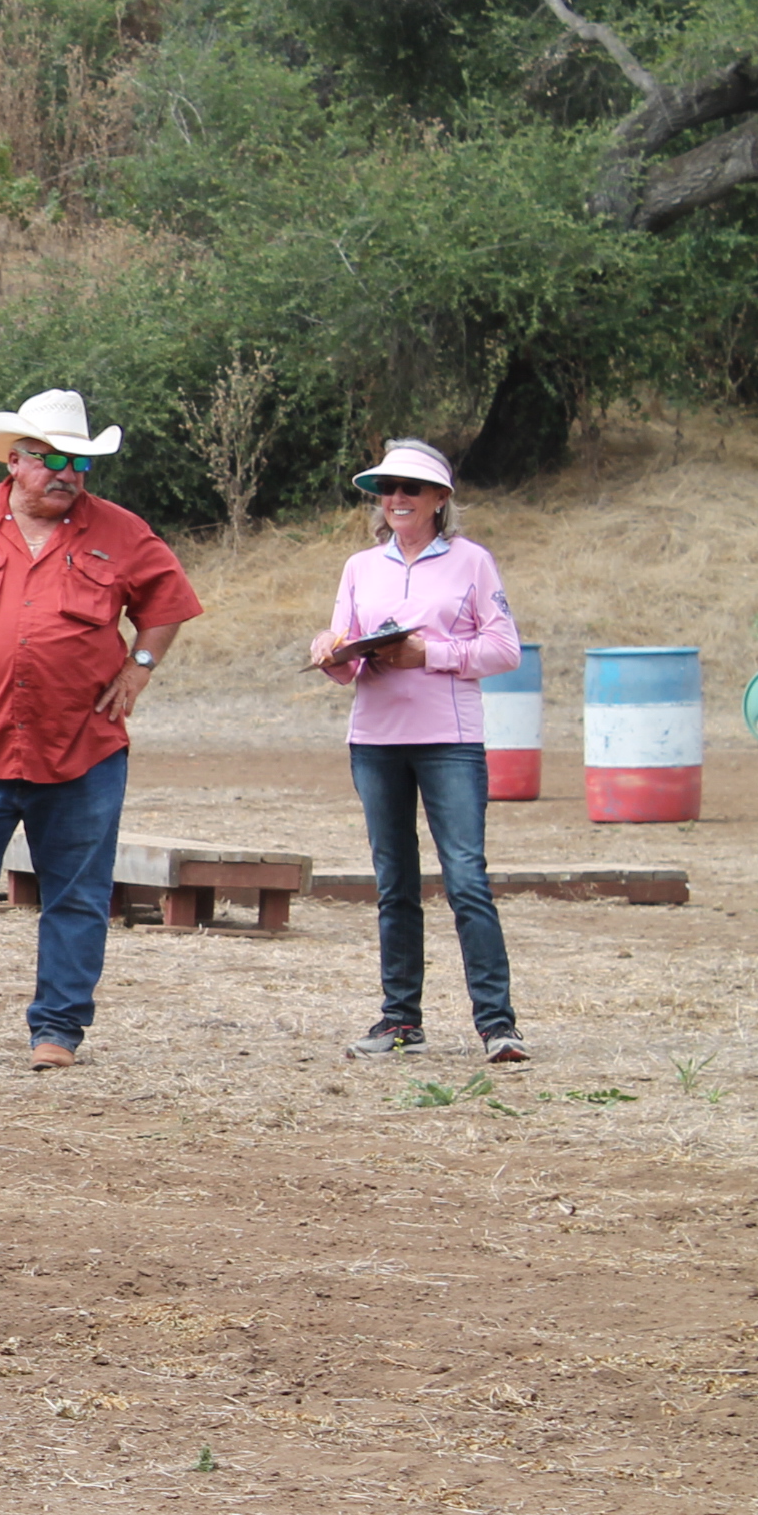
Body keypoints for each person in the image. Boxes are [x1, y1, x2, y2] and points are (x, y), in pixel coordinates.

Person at [0, 389, 202, 1070]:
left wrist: (139, 667)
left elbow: (167, 603)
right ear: (15, 461)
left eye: (79, 463)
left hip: (83, 749)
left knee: (77, 896)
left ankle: (57, 1033)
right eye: (52, 460)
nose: (67, 474)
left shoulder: (122, 531)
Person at [310, 439, 526, 1066]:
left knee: (466, 880)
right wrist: (331, 651)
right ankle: (400, 1021)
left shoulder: (472, 562)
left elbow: (505, 649)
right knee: (394, 883)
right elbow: (347, 658)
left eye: (411, 489)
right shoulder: (361, 567)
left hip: (449, 741)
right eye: (388, 489)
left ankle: (498, 1025)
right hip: (375, 740)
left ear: (440, 499)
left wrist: (428, 653)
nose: (397, 499)